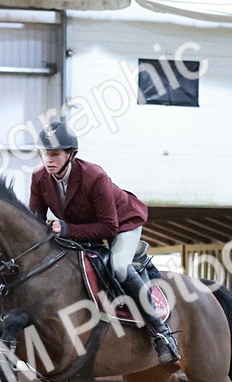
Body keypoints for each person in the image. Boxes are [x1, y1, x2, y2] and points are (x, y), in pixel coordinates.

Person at [28, 122, 180, 365]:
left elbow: (108, 228)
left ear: (70, 155)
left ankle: (161, 332)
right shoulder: (39, 177)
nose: (49, 159)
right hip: (82, 229)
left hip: (122, 224)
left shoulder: (93, 176)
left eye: (55, 153)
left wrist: (66, 229)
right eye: (45, 153)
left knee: (118, 267)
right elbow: (34, 220)